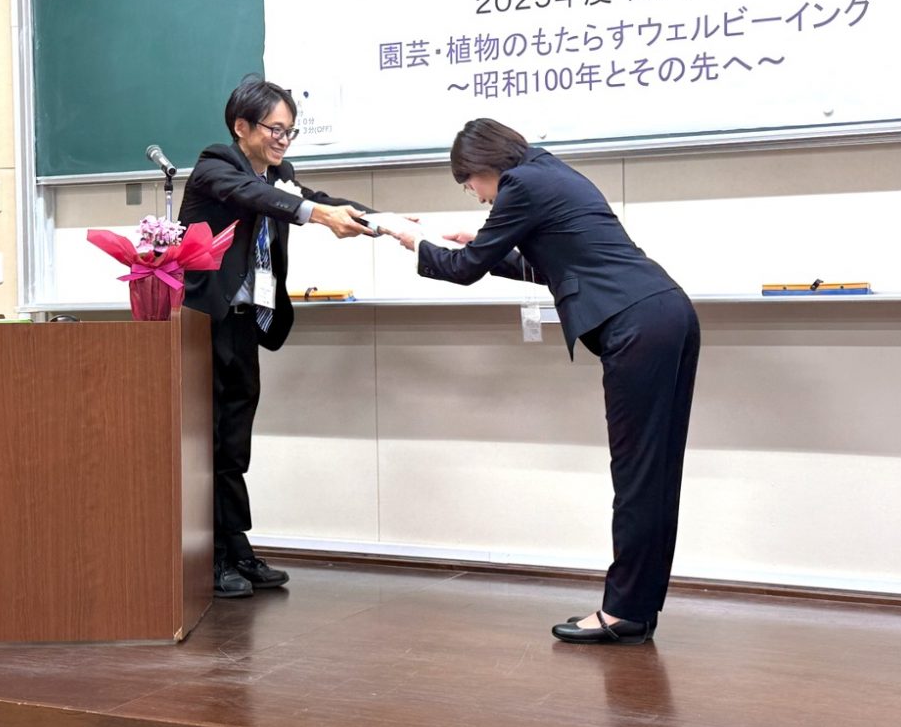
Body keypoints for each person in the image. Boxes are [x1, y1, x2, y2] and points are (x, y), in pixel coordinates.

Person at [383, 118, 699, 644]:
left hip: (638, 326)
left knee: (638, 476)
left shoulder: (520, 184)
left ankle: (623, 612)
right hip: (667, 313)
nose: (475, 194)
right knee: (656, 475)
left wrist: (412, 239)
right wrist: (480, 244)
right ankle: (636, 610)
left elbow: (463, 270)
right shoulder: (548, 171)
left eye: (468, 182)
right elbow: (559, 263)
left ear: (483, 165)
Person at [178, 75, 374, 598]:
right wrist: (317, 214)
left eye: (290, 131)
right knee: (207, 441)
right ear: (242, 127)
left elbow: (318, 199)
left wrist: (389, 223)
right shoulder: (216, 165)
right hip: (205, 323)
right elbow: (254, 196)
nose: (283, 140)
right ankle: (209, 557)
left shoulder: (279, 175)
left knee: (234, 442)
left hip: (246, 322)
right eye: (275, 129)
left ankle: (236, 546)